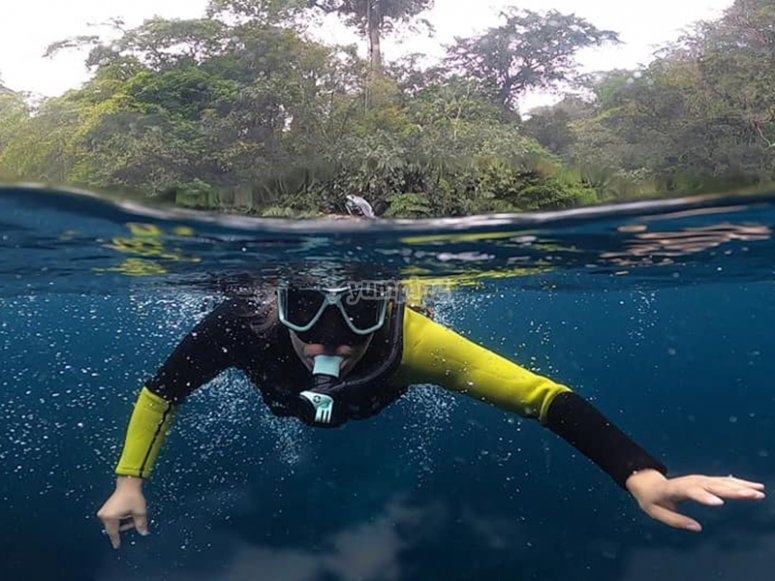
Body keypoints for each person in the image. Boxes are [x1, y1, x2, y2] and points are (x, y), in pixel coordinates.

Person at [97, 278, 766, 549]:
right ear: (279, 304)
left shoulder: (414, 341)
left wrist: (641, 476)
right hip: (279, 396)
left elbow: (541, 396)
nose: (329, 339)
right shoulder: (239, 324)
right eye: (307, 313)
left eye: (358, 316)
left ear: (389, 308)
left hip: (373, 400)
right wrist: (130, 479)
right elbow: (164, 390)